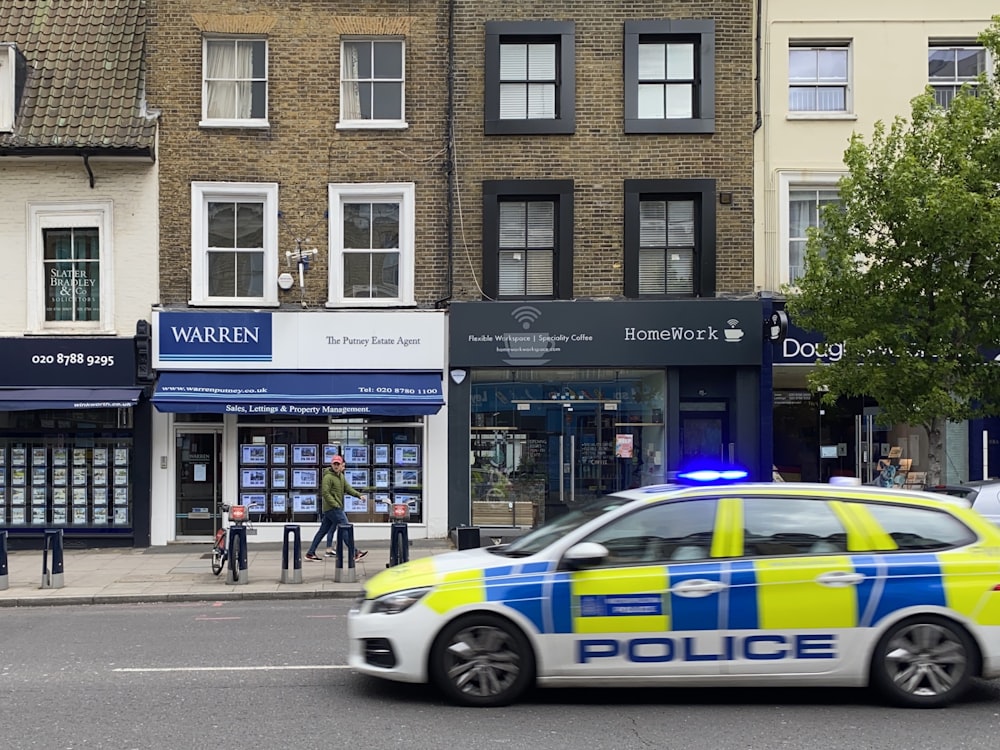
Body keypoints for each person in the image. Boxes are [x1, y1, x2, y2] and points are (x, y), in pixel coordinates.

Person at [305, 454, 368, 562]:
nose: (336, 466)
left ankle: (310, 553)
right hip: (333, 509)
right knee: (346, 528)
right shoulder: (328, 477)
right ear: (331, 464)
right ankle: (355, 552)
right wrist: (335, 504)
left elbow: (348, 488)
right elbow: (325, 493)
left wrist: (359, 495)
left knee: (322, 531)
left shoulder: (340, 476)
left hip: (332, 509)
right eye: (334, 464)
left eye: (338, 464)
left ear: (341, 465)